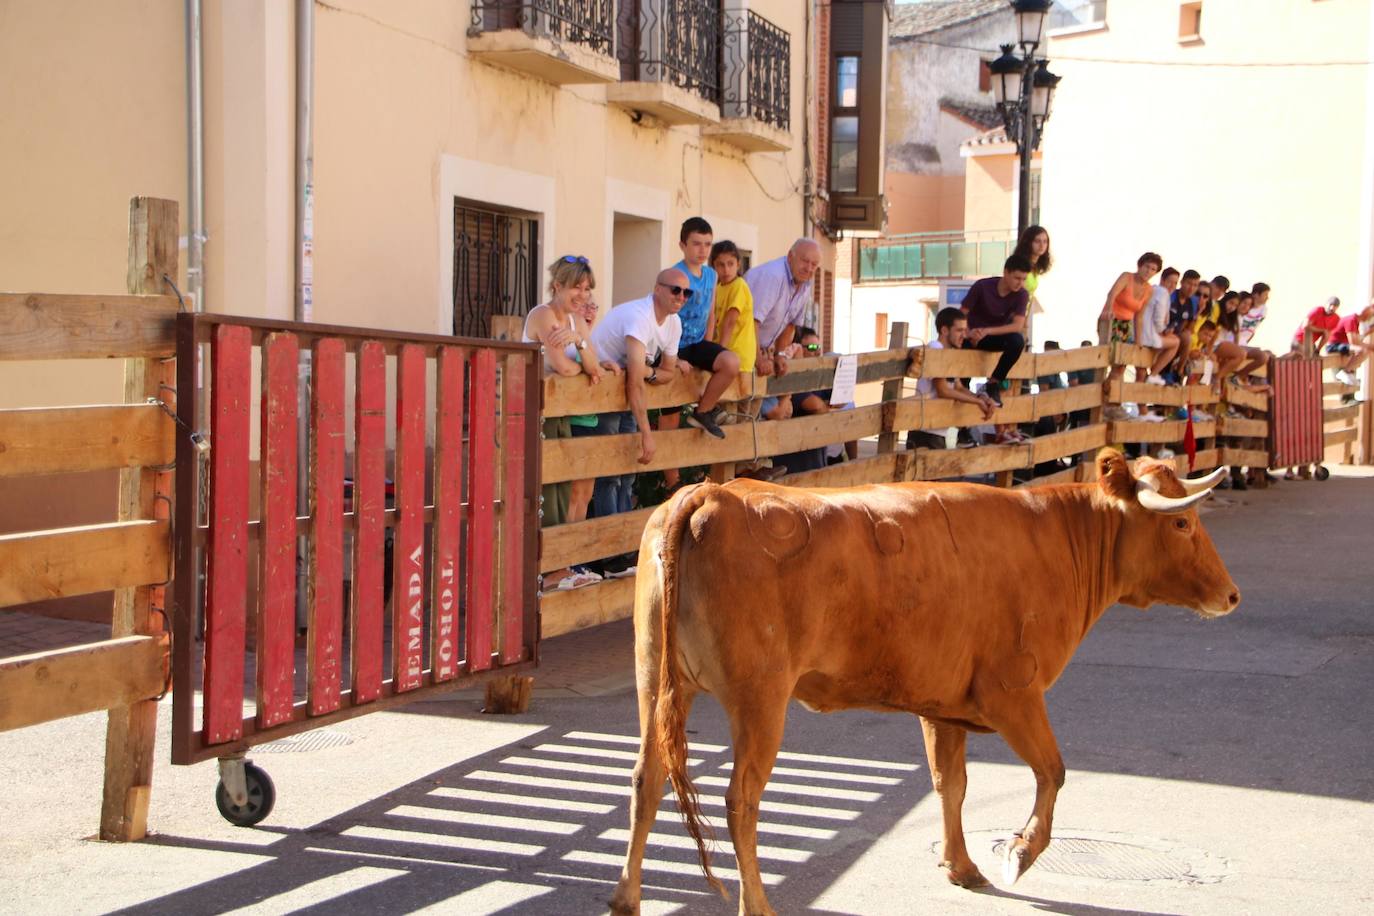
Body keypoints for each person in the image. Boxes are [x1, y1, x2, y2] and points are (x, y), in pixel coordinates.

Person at [586, 268, 691, 577]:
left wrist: (648, 372)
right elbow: (635, 382)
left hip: (622, 392)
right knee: (610, 475)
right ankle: (611, 552)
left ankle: (623, 547)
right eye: (675, 290)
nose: (681, 298)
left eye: (687, 293)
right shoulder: (639, 316)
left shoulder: (674, 322)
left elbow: (663, 373)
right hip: (602, 392)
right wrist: (648, 432)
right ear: (657, 289)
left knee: (627, 472)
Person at [522, 255, 609, 591]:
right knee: (545, 493)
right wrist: (579, 355)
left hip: (559, 415)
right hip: (535, 411)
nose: (582, 294)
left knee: (561, 491)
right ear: (557, 285)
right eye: (576, 286)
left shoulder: (574, 321)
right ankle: (548, 570)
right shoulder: (543, 315)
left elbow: (595, 367)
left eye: (587, 288)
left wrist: (579, 341)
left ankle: (559, 567)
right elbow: (566, 368)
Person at [908, 307, 1000, 449]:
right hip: (925, 431)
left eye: (965, 330)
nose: (964, 335)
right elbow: (943, 390)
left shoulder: (949, 354)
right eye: (959, 330)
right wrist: (977, 402)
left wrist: (981, 397)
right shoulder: (936, 350)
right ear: (944, 330)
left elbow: (958, 387)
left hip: (936, 430)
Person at [960, 254, 1032, 407]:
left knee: (1017, 341)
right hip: (970, 337)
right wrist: (968, 333)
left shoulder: (1022, 294)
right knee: (962, 383)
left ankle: (993, 383)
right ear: (1006, 272)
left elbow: (1017, 326)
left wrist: (987, 331)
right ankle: (962, 428)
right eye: (1017, 278)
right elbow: (961, 314)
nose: (1020, 283)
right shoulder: (982, 286)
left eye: (1024, 279)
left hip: (992, 336)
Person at [749, 238, 821, 378]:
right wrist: (758, 358)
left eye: (814, 264)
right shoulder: (773, 276)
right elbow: (751, 322)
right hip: (741, 351)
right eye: (805, 261)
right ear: (790, 256)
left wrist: (780, 354)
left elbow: (790, 324)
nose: (809, 268)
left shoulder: (805, 284)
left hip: (761, 353)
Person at [1139, 267, 1181, 384]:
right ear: (1162, 280)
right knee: (1175, 342)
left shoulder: (1151, 289)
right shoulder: (1163, 293)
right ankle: (1153, 374)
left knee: (1141, 370)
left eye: (1175, 283)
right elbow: (1159, 320)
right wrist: (1163, 331)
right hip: (1149, 336)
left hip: (1140, 333)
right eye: (1170, 282)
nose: (1172, 285)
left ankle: (1141, 399)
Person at [1327, 301, 1374, 385]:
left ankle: (1348, 372)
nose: (1370, 318)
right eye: (1371, 315)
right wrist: (1370, 346)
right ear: (1365, 313)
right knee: (1362, 351)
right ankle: (1345, 372)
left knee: (1365, 351)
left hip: (1342, 345)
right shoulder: (1351, 320)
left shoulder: (1356, 322)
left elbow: (1357, 341)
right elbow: (1354, 343)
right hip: (1334, 346)